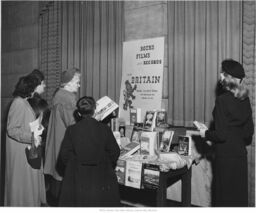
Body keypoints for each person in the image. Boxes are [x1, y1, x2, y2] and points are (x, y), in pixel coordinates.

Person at [199, 59, 254, 207]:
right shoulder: (246, 100)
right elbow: (249, 132)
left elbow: (221, 135)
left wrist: (206, 133)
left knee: (224, 199)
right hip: (240, 156)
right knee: (237, 198)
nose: (220, 76)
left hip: (225, 159)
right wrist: (233, 133)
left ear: (231, 78)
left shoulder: (222, 101)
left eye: (223, 73)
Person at [58, 96, 120, 207]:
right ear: (95, 110)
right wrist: (105, 164)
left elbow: (64, 155)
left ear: (79, 113)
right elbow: (114, 152)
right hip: (100, 177)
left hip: (78, 177)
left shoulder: (71, 129)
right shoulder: (104, 129)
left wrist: (75, 165)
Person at [4, 74, 46, 206]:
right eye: (42, 83)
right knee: (23, 189)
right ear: (33, 86)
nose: (44, 86)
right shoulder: (18, 102)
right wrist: (31, 137)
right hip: (21, 154)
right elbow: (12, 129)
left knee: (28, 187)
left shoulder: (25, 101)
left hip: (27, 151)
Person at [44, 67, 81, 205]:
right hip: (64, 141)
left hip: (58, 140)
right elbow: (73, 124)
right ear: (69, 82)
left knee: (57, 180)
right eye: (77, 81)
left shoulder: (59, 95)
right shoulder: (67, 98)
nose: (79, 84)